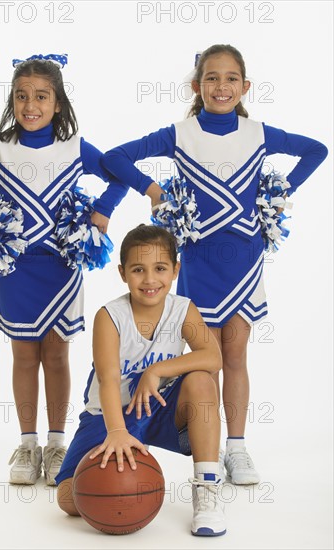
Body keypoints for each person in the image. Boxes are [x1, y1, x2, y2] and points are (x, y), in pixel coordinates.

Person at [101, 44, 328, 485]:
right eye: (211, 78)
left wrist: (279, 193)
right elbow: (114, 158)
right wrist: (152, 191)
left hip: (243, 259)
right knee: (205, 360)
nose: (221, 86)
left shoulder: (258, 133)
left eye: (230, 79)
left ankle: (237, 449)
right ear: (196, 86)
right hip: (198, 262)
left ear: (244, 87)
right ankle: (207, 448)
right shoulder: (179, 133)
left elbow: (316, 150)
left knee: (237, 355)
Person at [0, 53, 128, 486]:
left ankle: (57, 441)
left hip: (61, 267)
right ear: (12, 100)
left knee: (58, 354)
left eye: (41, 96)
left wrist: (101, 212)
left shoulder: (76, 148)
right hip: (14, 268)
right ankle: (27, 444)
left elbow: (119, 175)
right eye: (21, 96)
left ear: (57, 102)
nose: (30, 105)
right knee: (24, 355)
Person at [56, 225, 226, 537]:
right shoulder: (109, 316)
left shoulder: (183, 309)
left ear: (175, 270)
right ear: (122, 273)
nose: (149, 279)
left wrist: (156, 370)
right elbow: (108, 380)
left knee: (202, 380)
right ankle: (124, 449)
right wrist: (117, 431)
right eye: (138, 269)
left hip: (158, 406)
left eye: (160, 268)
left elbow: (213, 357)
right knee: (69, 500)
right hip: (110, 414)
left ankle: (208, 486)